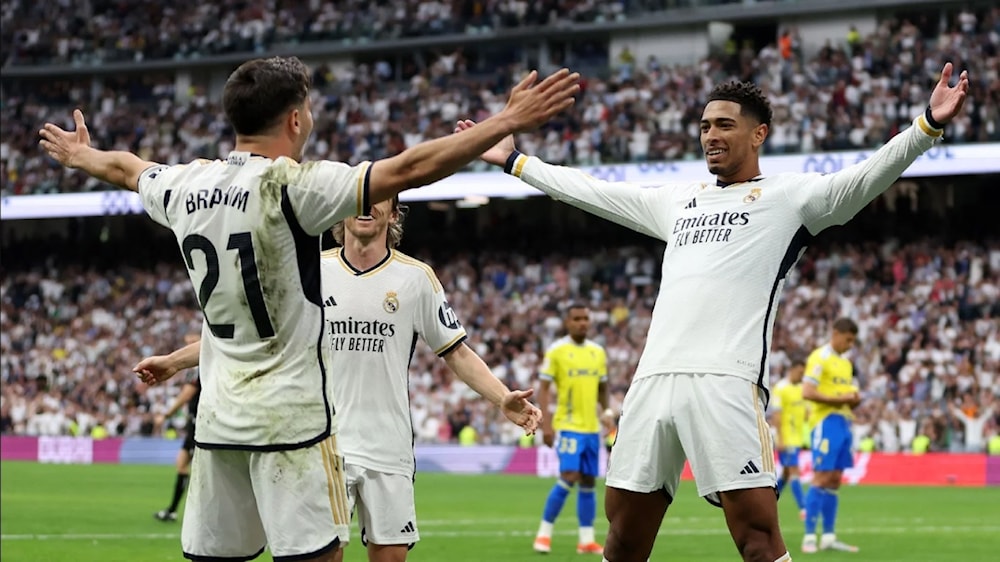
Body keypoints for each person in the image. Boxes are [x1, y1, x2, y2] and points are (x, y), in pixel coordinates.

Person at [39, 56, 579, 562]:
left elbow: (127, 168)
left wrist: (79, 155)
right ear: (296, 120)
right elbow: (413, 166)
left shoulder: (186, 182)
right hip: (291, 422)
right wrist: (505, 122)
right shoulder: (295, 186)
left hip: (219, 424)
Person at [455, 62, 969, 562]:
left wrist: (927, 126)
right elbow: (594, 192)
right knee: (623, 543)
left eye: (725, 124)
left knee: (758, 540)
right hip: (652, 382)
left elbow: (863, 179)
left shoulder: (789, 198)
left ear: (759, 133)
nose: (710, 136)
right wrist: (514, 161)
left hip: (726, 381)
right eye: (704, 126)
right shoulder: (680, 201)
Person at [322, 196, 542, 562]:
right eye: (357, 197)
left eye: (377, 199)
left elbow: (456, 351)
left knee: (391, 557)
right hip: (326, 442)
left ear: (393, 214)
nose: (365, 207)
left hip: (388, 444)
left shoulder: (416, 278)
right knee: (323, 557)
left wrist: (502, 397)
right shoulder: (312, 271)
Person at [532, 304, 610, 555]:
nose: (582, 323)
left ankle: (586, 540)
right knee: (569, 475)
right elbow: (544, 387)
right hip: (568, 426)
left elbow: (603, 387)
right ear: (567, 322)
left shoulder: (598, 352)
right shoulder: (557, 351)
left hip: (591, 428)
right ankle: (543, 535)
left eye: (586, 318)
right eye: (577, 318)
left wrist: (606, 412)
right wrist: (544, 422)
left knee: (588, 481)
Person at [801, 318, 861, 553]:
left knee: (835, 480)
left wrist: (853, 400)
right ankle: (808, 537)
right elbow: (808, 391)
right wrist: (842, 399)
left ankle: (828, 536)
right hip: (825, 422)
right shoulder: (820, 357)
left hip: (843, 421)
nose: (850, 344)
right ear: (835, 333)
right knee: (822, 477)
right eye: (848, 339)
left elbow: (844, 396)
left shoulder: (846, 363)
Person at [153, 332, 202, 522]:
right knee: (182, 463)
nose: (188, 345)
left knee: (193, 466)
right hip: (194, 421)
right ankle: (173, 510)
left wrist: (166, 415)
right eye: (186, 342)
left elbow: (187, 394)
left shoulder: (200, 365)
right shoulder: (195, 368)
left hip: (200, 421)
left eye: (192, 342)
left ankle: (184, 512)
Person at [769, 355, 808, 520]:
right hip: (787, 437)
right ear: (791, 370)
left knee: (785, 475)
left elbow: (805, 412)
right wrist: (781, 438)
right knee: (794, 472)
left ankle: (769, 501)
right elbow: (776, 415)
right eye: (800, 372)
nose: (801, 376)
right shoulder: (780, 388)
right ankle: (804, 508)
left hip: (797, 437)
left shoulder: (801, 388)